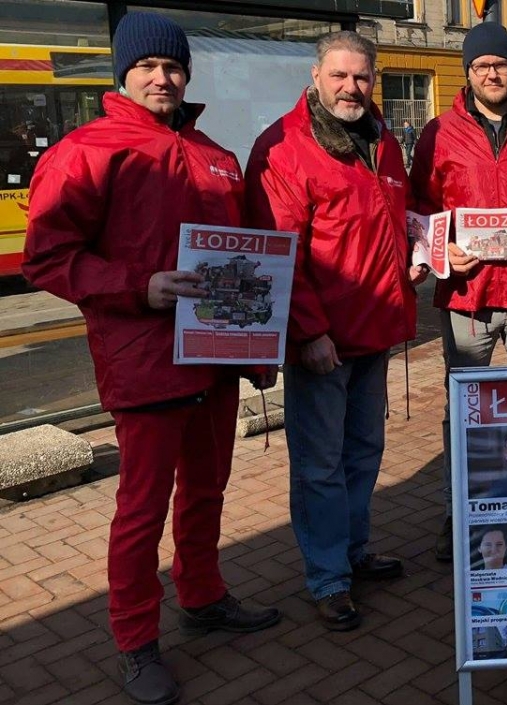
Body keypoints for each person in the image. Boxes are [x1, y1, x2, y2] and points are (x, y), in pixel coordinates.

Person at [22, 13, 281, 705]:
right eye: (147, 67)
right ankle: (136, 642)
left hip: (215, 359)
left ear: (186, 74)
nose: (162, 77)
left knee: (206, 489)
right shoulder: (86, 151)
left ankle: (202, 595)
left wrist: (257, 346)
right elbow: (46, 256)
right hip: (144, 360)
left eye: (172, 66)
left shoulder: (214, 154)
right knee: (141, 510)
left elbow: (245, 261)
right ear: (123, 74)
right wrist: (139, 286)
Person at [244, 30, 425, 633]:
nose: (352, 87)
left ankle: (352, 550)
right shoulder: (283, 148)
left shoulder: (382, 140)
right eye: (340, 76)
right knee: (319, 464)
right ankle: (327, 576)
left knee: (364, 451)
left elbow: (390, 221)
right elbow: (282, 253)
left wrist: (414, 255)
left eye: (362, 77)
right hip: (323, 341)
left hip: (376, 326)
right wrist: (308, 332)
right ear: (316, 76)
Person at [410, 22, 507, 562]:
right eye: (480, 66)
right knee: (466, 414)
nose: (491, 73)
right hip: (466, 297)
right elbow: (419, 209)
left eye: (499, 64)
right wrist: (441, 251)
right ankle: (461, 515)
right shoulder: (439, 132)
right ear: (468, 72)